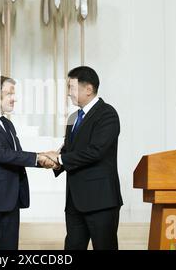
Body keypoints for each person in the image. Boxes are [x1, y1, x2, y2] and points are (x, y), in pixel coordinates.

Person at [0, 76, 55, 250]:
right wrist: (40, 156)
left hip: (10, 200)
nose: (14, 98)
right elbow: (2, 154)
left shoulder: (7, 124)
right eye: (10, 94)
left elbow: (16, 155)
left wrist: (43, 161)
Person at [43, 66, 123, 250]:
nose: (68, 93)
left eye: (71, 88)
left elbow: (96, 151)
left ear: (88, 89)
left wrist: (60, 160)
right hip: (74, 202)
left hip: (100, 201)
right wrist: (54, 162)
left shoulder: (107, 114)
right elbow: (69, 149)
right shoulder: (73, 117)